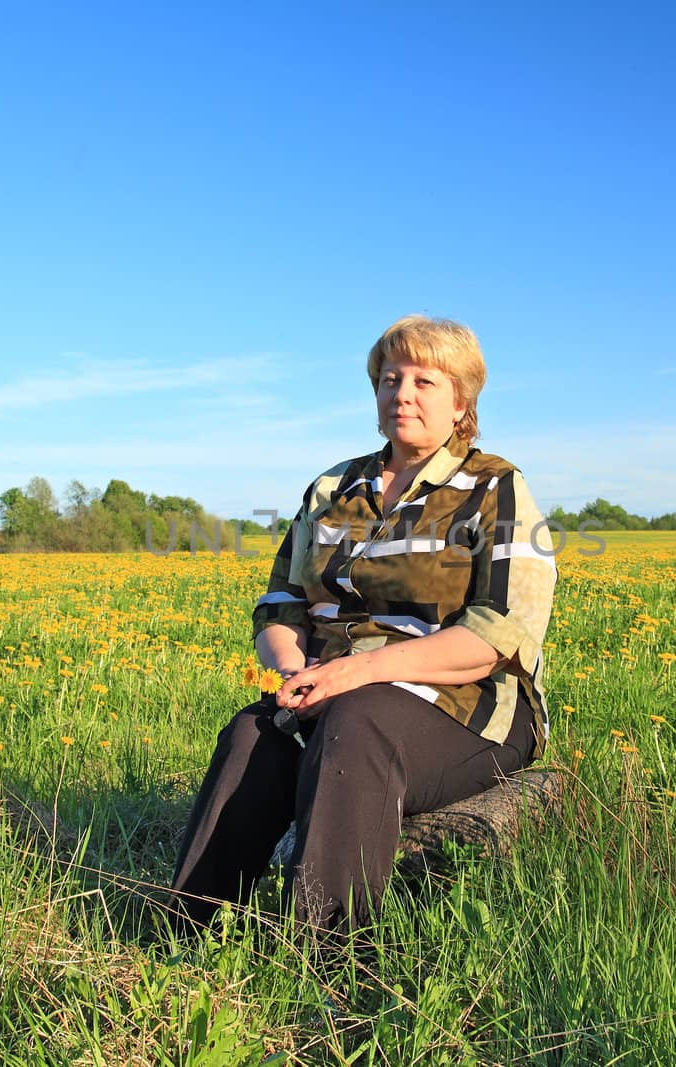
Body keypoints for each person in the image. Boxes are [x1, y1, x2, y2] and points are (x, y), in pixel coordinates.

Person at [170, 314, 557, 933]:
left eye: (425, 381)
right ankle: (181, 936)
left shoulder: (494, 487)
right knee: (253, 731)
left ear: (462, 401)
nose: (401, 393)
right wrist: (296, 673)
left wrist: (356, 673)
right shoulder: (332, 486)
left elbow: (500, 632)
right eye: (389, 378)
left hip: (465, 707)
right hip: (335, 688)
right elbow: (281, 604)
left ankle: (334, 960)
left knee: (359, 720)